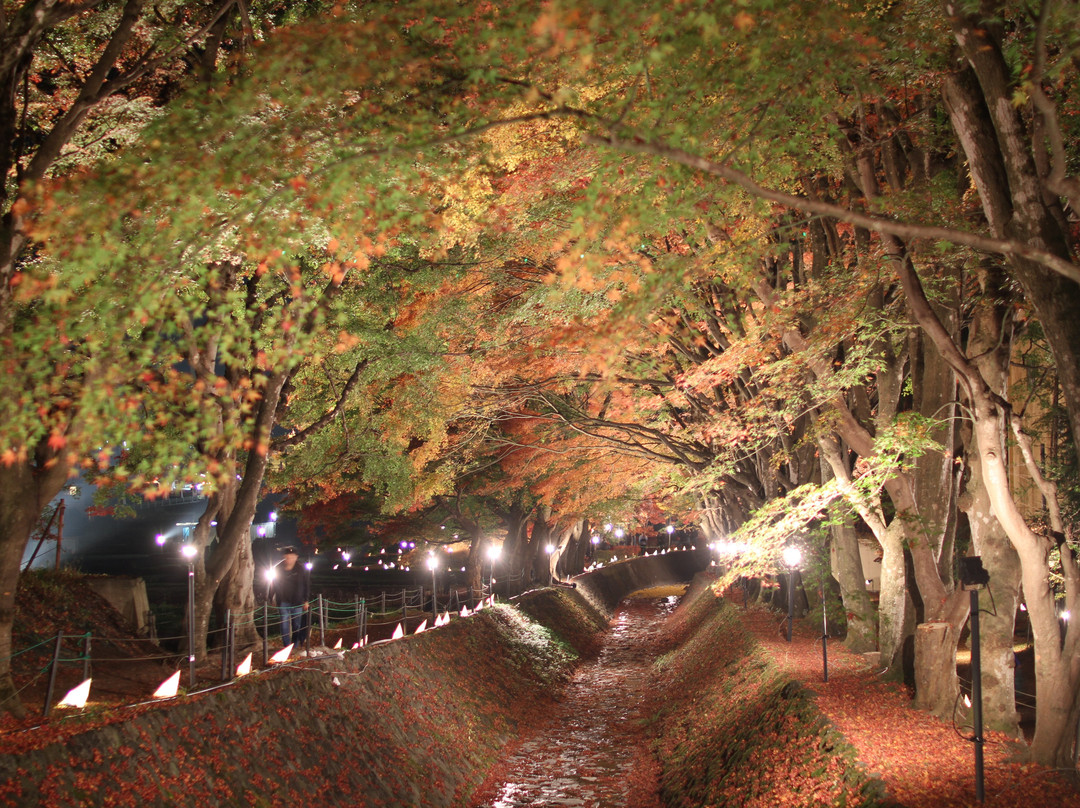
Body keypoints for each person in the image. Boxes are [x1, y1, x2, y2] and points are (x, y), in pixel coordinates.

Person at [270, 546, 310, 650]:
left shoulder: (301, 569)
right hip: (283, 600)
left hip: (297, 601)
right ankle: (287, 646)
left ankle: (295, 645)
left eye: (292, 557)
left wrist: (306, 599)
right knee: (284, 624)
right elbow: (273, 584)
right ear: (284, 557)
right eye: (288, 557)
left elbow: (306, 584)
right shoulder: (278, 568)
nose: (290, 559)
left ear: (296, 557)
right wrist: (271, 597)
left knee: (297, 625)